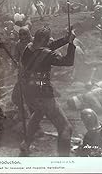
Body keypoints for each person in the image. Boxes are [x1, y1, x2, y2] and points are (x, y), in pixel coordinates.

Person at [18, 26, 76, 156]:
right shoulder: (48, 54)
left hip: (29, 92)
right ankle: (64, 162)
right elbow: (68, 61)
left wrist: (65, 39)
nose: (50, 40)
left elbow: (48, 46)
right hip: (43, 94)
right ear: (44, 39)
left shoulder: (28, 48)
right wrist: (71, 43)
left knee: (38, 113)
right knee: (65, 128)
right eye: (48, 38)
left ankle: (25, 144)